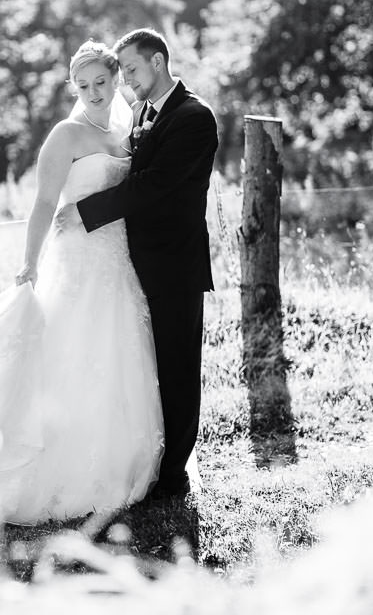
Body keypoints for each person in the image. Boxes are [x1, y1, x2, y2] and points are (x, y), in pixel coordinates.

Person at [0, 40, 164, 525]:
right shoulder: (65, 135)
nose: (93, 92)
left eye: (101, 82)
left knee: (118, 356)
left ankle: (119, 462)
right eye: (83, 85)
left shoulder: (128, 126)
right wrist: (29, 265)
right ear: (73, 88)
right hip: (77, 262)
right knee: (67, 356)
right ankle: (46, 473)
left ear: (116, 78)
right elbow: (43, 206)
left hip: (119, 263)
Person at [66, 27, 218, 499]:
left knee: (176, 368)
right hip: (133, 264)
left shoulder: (194, 117)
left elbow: (153, 184)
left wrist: (85, 213)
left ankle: (174, 473)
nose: (125, 79)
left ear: (157, 61)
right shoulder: (140, 114)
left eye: (130, 69)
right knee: (144, 367)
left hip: (174, 266)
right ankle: (148, 460)